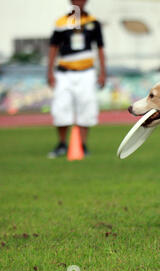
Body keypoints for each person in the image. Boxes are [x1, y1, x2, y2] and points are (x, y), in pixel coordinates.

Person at [47, 0, 106, 158]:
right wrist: (49, 72)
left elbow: (100, 48)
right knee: (61, 107)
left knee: (86, 106)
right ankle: (61, 144)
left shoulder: (93, 22)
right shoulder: (61, 22)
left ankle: (82, 144)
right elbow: (53, 47)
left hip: (86, 72)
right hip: (64, 72)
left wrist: (103, 72)